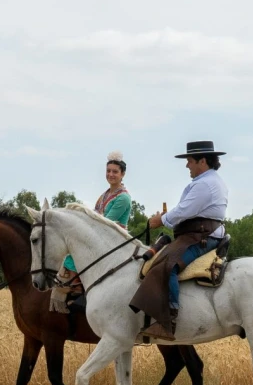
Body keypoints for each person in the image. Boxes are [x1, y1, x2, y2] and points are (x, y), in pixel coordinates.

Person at [128, 141, 230, 340]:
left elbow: (184, 211)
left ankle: (169, 320)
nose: (187, 165)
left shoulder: (205, 184)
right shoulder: (210, 181)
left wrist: (160, 220)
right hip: (199, 234)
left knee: (167, 265)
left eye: (190, 161)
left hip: (200, 237)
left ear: (202, 161)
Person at [52, 152, 133, 312]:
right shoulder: (105, 195)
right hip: (101, 236)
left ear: (122, 174)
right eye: (108, 171)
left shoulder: (123, 198)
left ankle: (76, 288)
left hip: (113, 239)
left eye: (115, 171)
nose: (111, 174)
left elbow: (105, 223)